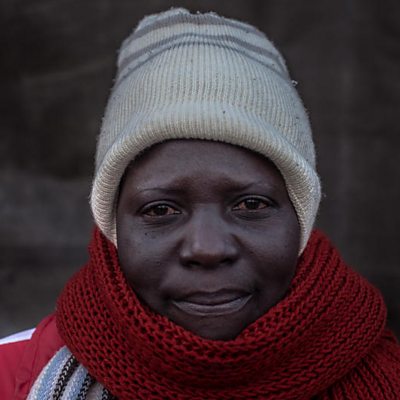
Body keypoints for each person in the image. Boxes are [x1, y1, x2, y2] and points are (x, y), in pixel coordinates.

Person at [1, 7, 399, 400]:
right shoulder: (14, 375)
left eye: (251, 204)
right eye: (160, 210)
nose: (207, 248)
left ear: (301, 221)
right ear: (114, 227)